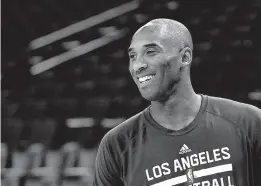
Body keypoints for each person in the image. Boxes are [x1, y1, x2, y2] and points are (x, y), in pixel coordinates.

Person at [93, 18, 261, 186]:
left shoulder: (248, 122)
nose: (137, 66)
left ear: (185, 57)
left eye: (150, 52)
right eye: (132, 56)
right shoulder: (117, 145)